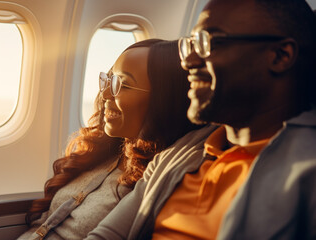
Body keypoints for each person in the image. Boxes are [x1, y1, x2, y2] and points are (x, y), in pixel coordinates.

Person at [86, 0, 316, 239]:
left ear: (280, 56)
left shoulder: (306, 174)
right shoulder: (177, 156)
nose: (189, 62)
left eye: (209, 43)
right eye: (192, 45)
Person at [17, 39, 204, 239]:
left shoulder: (155, 182)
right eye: (109, 80)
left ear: (163, 100)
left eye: (122, 85)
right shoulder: (102, 153)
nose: (105, 94)